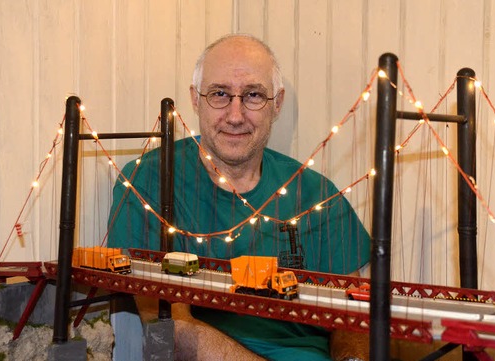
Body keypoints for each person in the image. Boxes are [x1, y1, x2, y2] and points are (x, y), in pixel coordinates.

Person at [108, 34, 371, 361]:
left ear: (277, 103)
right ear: (195, 98)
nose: (235, 115)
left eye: (253, 95)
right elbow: (166, 326)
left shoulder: (316, 193)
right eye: (219, 94)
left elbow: (354, 314)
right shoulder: (146, 182)